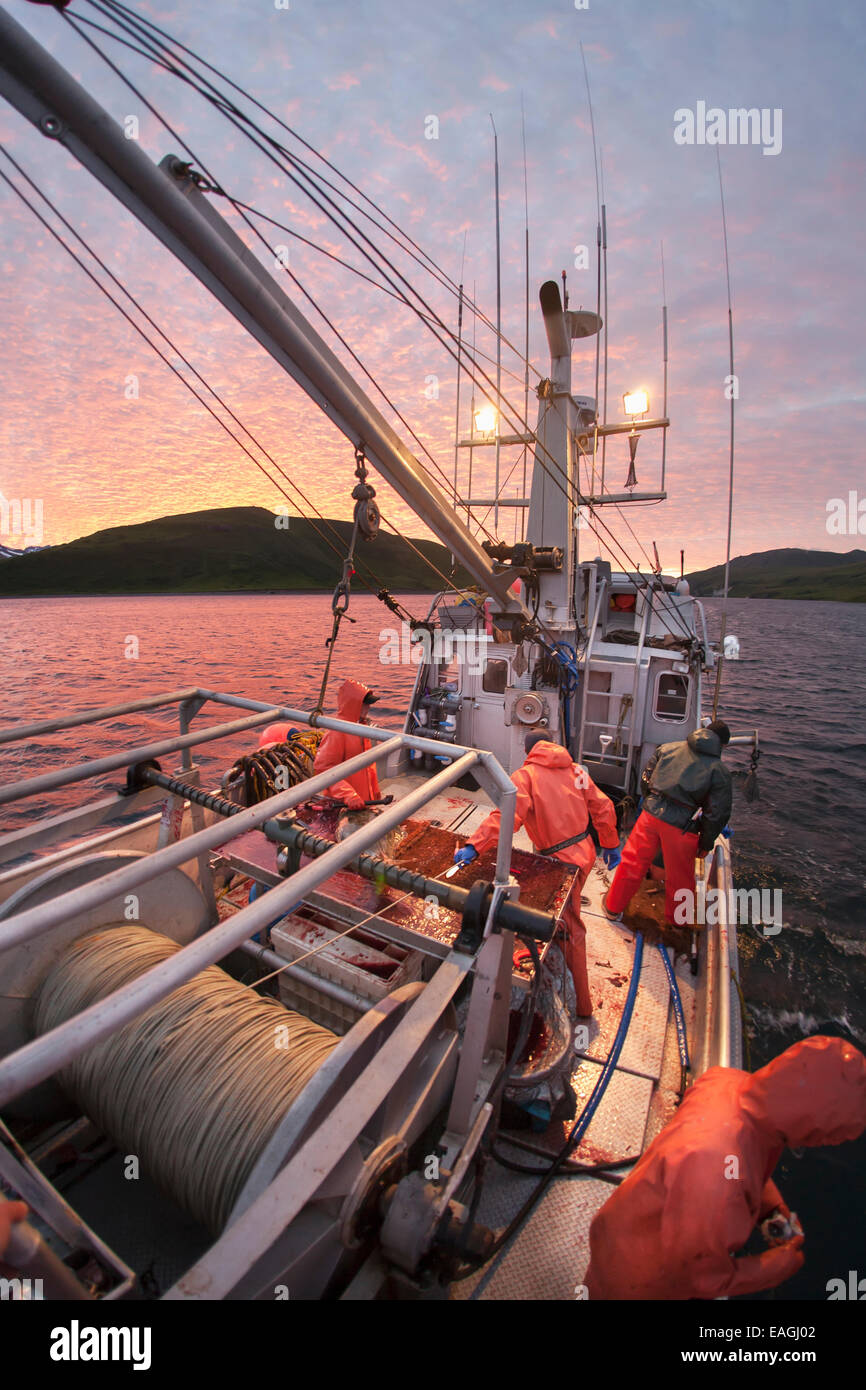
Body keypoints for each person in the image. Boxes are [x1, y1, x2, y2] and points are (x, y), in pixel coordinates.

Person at [585, 1035, 866, 1299]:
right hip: (636, 1282)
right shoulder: (717, 1185)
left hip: (621, 1226)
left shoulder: (727, 1082)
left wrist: (770, 1209)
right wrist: (774, 1266)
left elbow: (742, 1156)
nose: (824, 1142)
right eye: (828, 1135)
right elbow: (700, 1277)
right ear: (809, 1125)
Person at [452, 732, 620, 1016]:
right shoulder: (577, 770)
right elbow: (603, 805)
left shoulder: (525, 777)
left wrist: (475, 846)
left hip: (562, 859)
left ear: (529, 750)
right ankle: (554, 938)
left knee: (571, 929)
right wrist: (611, 842)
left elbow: (507, 817)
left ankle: (583, 1005)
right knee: (564, 913)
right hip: (585, 850)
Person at [603, 719, 733, 927]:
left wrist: (651, 802)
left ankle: (612, 909)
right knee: (681, 877)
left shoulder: (667, 748)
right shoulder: (720, 771)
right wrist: (705, 843)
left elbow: (646, 779)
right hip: (682, 826)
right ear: (722, 745)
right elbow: (717, 813)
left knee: (631, 862)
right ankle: (677, 924)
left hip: (650, 816)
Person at [312, 678, 384, 810]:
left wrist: (375, 795)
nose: (368, 707)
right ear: (353, 704)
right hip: (344, 806)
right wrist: (349, 795)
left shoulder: (361, 727)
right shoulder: (336, 732)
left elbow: (369, 769)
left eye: (369, 704)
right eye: (365, 704)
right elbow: (323, 769)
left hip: (363, 803)